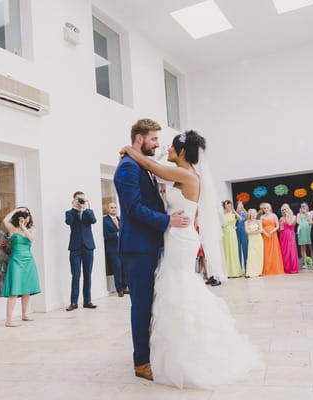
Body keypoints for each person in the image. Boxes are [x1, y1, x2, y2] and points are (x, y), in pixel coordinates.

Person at [120, 129, 260, 388]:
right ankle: (176, 348)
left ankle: (189, 351)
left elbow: (151, 165)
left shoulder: (184, 174)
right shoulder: (184, 174)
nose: (167, 150)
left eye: (171, 147)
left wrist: (130, 150)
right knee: (175, 286)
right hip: (177, 234)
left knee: (179, 286)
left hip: (180, 237)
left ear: (182, 152)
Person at [113, 118, 190, 381]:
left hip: (150, 243)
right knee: (142, 305)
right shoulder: (127, 168)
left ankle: (150, 352)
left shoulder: (139, 164)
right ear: (139, 138)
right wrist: (168, 221)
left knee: (152, 303)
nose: (157, 144)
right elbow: (134, 209)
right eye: (154, 139)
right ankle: (141, 362)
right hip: (138, 247)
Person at [1, 207, 41, 326]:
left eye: (27, 215)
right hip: (16, 260)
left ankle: (24, 314)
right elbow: (5, 220)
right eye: (23, 216)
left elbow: (31, 238)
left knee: (27, 289)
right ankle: (9, 320)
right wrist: (16, 209)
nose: (25, 218)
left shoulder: (31, 228)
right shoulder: (12, 228)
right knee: (14, 290)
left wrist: (24, 227)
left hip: (28, 260)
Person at [65, 191, 97, 311]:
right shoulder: (69, 213)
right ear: (74, 200)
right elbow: (69, 222)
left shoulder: (89, 212)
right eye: (79, 199)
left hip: (88, 247)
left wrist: (84, 208)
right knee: (76, 275)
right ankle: (73, 302)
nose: (81, 201)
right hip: (75, 248)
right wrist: (75, 208)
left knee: (87, 275)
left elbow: (93, 220)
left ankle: (87, 300)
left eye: (82, 199)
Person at [103, 202, 128, 297]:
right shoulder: (105, 220)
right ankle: (119, 290)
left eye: (115, 207)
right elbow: (106, 235)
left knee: (124, 267)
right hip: (112, 249)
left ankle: (125, 287)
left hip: (122, 248)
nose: (113, 209)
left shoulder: (119, 219)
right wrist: (117, 234)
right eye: (111, 208)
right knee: (117, 268)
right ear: (108, 209)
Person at [260, 202, 284, 275]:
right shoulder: (262, 217)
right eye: (264, 208)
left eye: (267, 208)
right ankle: (267, 269)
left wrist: (271, 231)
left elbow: (277, 226)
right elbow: (261, 227)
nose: (266, 209)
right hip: (265, 235)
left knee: (274, 251)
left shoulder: (274, 215)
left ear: (270, 208)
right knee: (266, 251)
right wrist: (266, 233)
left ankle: (275, 268)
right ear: (263, 209)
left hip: (273, 235)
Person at [222, 200, 243, 278]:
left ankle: (235, 271)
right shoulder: (223, 213)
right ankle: (227, 272)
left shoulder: (233, 213)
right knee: (226, 251)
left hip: (232, 233)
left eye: (230, 204)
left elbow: (240, 219)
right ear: (224, 206)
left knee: (233, 251)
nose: (229, 206)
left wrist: (234, 211)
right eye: (227, 205)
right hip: (224, 233)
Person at [279, 203, 299, 274]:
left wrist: (287, 217)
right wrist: (280, 227)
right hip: (283, 235)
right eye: (282, 210)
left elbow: (290, 224)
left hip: (290, 235)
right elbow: (280, 229)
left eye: (285, 209)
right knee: (284, 251)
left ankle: (292, 268)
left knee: (291, 251)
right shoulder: (281, 218)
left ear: (288, 209)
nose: (284, 211)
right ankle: (285, 267)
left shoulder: (294, 217)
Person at [244, 209, 263, 278]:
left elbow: (261, 230)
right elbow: (247, 231)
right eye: (253, 213)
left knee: (259, 255)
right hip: (251, 240)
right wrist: (255, 231)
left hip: (258, 239)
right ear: (250, 214)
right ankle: (249, 272)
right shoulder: (246, 222)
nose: (255, 214)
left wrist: (252, 231)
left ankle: (259, 272)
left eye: (255, 213)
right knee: (251, 255)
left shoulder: (258, 221)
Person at [296, 202, 312, 268]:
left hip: (308, 230)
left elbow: (310, 221)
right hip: (302, 231)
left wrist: (306, 214)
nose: (303, 207)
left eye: (305, 206)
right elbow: (298, 222)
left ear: (307, 207)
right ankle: (305, 263)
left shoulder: (309, 213)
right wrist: (300, 214)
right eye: (302, 206)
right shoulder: (298, 215)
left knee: (311, 247)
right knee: (303, 248)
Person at [235, 201, 248, 273]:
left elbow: (248, 218)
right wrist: (236, 211)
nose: (241, 205)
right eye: (239, 204)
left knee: (245, 249)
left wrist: (244, 210)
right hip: (237, 232)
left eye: (242, 204)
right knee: (238, 251)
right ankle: (238, 269)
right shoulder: (235, 213)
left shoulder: (245, 213)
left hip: (244, 232)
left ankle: (247, 268)